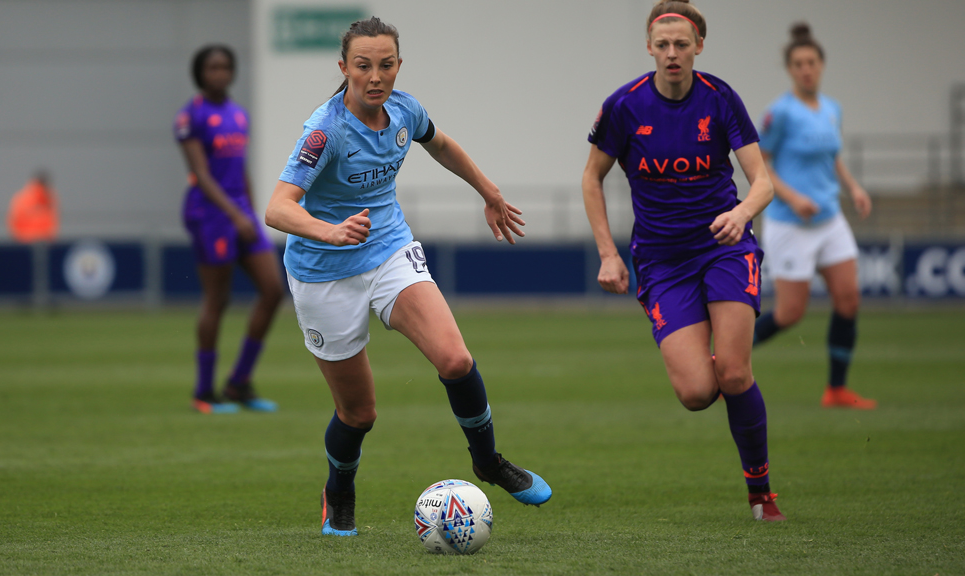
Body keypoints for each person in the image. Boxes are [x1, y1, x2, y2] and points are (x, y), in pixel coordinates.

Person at [265, 17, 551, 536]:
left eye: (386, 64)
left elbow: (440, 144)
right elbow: (278, 209)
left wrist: (488, 192)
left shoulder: (404, 110)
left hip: (389, 250)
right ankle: (339, 491)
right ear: (344, 68)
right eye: (363, 65)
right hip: (323, 274)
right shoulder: (324, 130)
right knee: (359, 413)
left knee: (456, 358)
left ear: (398, 65)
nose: (376, 76)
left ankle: (487, 462)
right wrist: (328, 232)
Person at [582, 0, 785, 521]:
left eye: (682, 44)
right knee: (697, 393)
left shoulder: (721, 99)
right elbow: (591, 178)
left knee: (735, 374)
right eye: (663, 44)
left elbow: (761, 181)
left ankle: (761, 494)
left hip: (724, 248)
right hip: (660, 261)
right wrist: (607, 253)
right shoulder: (624, 106)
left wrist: (740, 214)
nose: (672, 53)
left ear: (698, 46)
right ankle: (716, 372)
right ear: (650, 47)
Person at [753, 23, 876, 410]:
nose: (806, 69)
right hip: (790, 223)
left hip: (829, 219)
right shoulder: (779, 114)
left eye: (812, 62)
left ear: (821, 65)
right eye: (799, 63)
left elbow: (832, 156)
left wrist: (853, 187)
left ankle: (836, 389)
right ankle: (722, 360)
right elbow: (761, 166)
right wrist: (792, 196)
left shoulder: (832, 108)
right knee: (790, 313)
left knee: (849, 299)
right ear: (790, 69)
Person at [175, 44, 284, 414]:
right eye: (212, 67)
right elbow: (201, 174)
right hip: (210, 214)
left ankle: (239, 383)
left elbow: (240, 169)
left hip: (240, 213)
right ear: (200, 73)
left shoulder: (238, 115)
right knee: (217, 300)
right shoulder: (190, 116)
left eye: (225, 66)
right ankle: (203, 393)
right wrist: (235, 215)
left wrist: (251, 213)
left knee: (272, 291)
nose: (219, 73)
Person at [8, 170, 58, 243]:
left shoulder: (50, 198)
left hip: (43, 242)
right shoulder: (22, 198)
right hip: (25, 243)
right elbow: (14, 222)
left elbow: (53, 222)